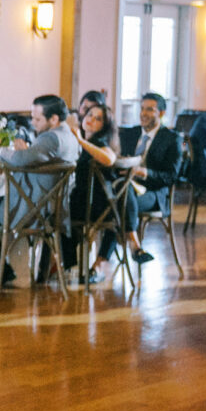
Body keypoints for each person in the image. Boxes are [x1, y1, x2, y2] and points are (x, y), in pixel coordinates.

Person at [0, 94, 79, 294]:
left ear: (53, 119)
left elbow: (21, 158)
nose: (33, 123)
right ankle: (4, 269)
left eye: (36, 119)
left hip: (29, 210)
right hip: (50, 208)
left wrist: (1, 154)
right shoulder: (69, 136)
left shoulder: (50, 138)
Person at [65, 99, 137, 283]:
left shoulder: (99, 142)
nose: (90, 120)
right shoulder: (84, 140)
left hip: (93, 206)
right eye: (89, 115)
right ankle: (77, 267)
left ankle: (69, 266)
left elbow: (109, 159)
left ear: (104, 126)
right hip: (95, 205)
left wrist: (81, 141)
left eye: (97, 119)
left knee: (57, 213)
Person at [117, 92, 183, 265]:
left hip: (154, 193)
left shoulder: (172, 139)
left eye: (149, 110)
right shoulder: (129, 134)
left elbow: (171, 176)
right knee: (118, 199)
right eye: (142, 109)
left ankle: (123, 249)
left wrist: (143, 172)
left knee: (117, 203)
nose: (143, 113)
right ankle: (134, 244)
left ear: (161, 113)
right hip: (125, 188)